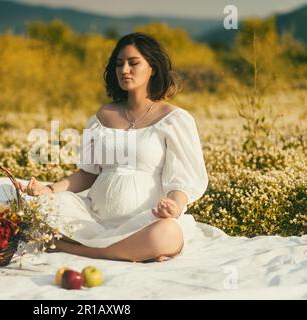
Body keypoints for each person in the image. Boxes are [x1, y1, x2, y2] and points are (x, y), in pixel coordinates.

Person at [19, 32, 209, 262]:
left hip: (144, 221)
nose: (124, 69)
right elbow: (88, 173)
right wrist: (48, 190)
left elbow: (183, 179)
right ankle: (122, 250)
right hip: (92, 218)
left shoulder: (174, 119)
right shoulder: (102, 115)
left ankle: (79, 249)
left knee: (166, 233)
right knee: (38, 207)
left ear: (154, 68)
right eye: (119, 64)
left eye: (133, 63)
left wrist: (175, 207)